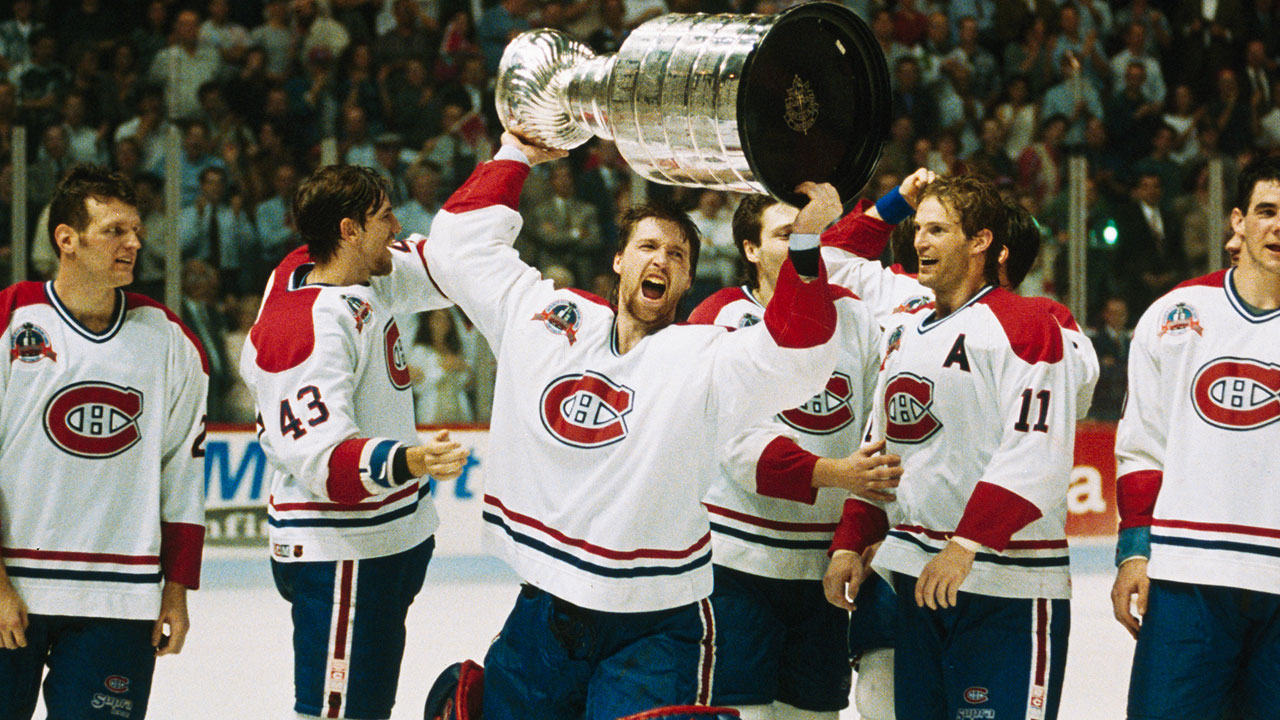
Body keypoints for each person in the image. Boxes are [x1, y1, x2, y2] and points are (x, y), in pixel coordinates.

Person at [422, 132, 842, 719]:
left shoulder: (707, 355)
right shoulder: (549, 320)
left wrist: (805, 241)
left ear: (688, 280)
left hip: (658, 620)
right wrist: (516, 152)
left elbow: (805, 354)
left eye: (677, 255)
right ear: (619, 260)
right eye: (647, 246)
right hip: (547, 604)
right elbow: (457, 250)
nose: (660, 260)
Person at [823, 176, 1092, 720]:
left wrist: (966, 544)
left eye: (937, 229)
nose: (919, 241)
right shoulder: (905, 322)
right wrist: (852, 537)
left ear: (984, 243)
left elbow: (1036, 450)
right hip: (919, 576)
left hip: (1006, 584)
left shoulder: (1037, 324)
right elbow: (885, 445)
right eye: (918, 228)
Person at [240, 165, 470, 720]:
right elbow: (330, 467)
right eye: (383, 216)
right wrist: (414, 459)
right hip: (342, 554)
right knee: (335, 714)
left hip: (384, 543)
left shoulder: (337, 271)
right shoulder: (306, 327)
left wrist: (512, 155)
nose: (397, 226)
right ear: (348, 229)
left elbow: (450, 261)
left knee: (363, 708)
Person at [686, 182, 918, 720]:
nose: (798, 244)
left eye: (805, 232)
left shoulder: (856, 317)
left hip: (822, 569)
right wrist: (837, 473)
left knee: (814, 716)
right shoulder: (720, 318)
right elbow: (734, 444)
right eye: (785, 234)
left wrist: (853, 536)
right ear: (749, 249)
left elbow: (873, 421)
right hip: (736, 565)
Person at [0, 165, 208, 719]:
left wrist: (176, 589)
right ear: (66, 239)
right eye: (115, 230)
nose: (134, 243)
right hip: (11, 589)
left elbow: (182, 473)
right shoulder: (10, 320)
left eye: (135, 230)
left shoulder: (169, 341)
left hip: (120, 597)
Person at [1110, 156, 1280, 720]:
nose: (1277, 226)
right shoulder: (1174, 316)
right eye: (1266, 211)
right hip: (1188, 576)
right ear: (1238, 220)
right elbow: (1142, 446)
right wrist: (1135, 551)